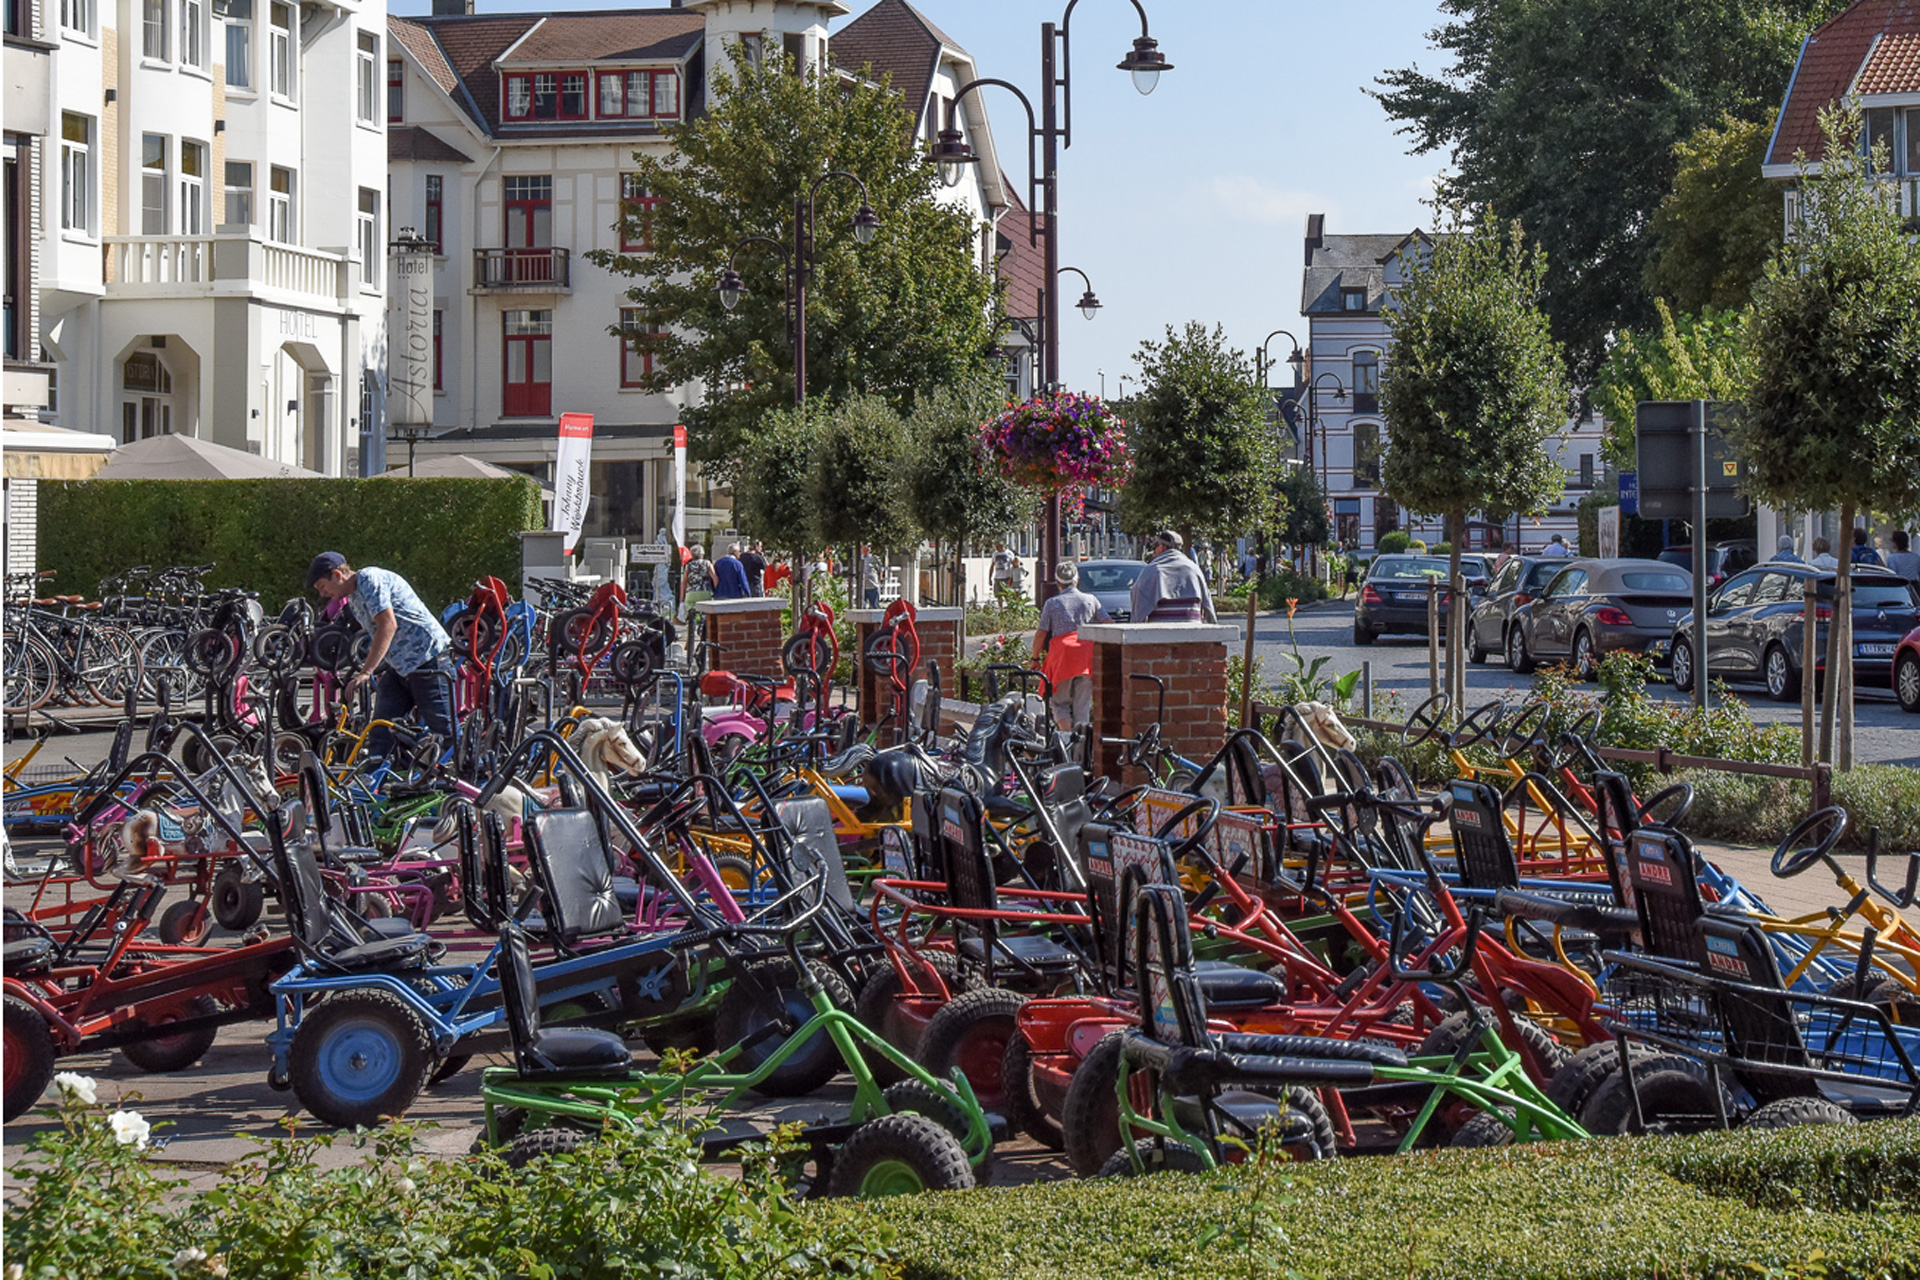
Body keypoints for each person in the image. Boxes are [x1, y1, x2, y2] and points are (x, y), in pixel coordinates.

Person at [308, 552, 454, 758]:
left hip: (427, 659)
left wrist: (366, 671)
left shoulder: (369, 579)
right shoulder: (354, 597)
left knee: (444, 729)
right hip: (402, 666)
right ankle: (374, 777)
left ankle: (465, 780)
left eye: (322, 586)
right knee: (381, 728)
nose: (323, 593)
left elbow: (387, 625)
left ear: (336, 575)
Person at [1033, 561, 1111, 729]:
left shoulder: (1052, 603)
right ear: (1077, 580)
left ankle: (1067, 738)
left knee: (1059, 703)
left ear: (1058, 582)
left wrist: (1035, 658)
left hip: (1062, 659)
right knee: (1082, 706)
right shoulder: (1091, 600)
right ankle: (1081, 746)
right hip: (1085, 658)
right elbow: (1108, 622)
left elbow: (1041, 633)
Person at [1130, 530, 1218, 623]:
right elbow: (1207, 602)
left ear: (1162, 547)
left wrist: (1136, 625)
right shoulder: (1194, 568)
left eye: (1155, 546)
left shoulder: (1153, 569)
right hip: (1192, 630)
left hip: (1160, 632)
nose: (1154, 551)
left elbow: (1138, 597)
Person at [680, 544, 715, 621]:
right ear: (702, 554)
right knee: (705, 611)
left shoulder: (688, 566)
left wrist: (682, 599)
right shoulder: (707, 563)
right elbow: (714, 577)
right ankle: (703, 623)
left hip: (691, 593)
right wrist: (716, 591)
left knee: (691, 607)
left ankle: (692, 618)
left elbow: (684, 583)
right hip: (705, 592)